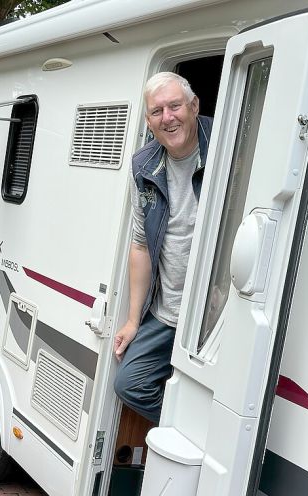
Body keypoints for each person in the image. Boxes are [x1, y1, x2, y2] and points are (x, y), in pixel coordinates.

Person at [113, 72, 213, 424]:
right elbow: (140, 245)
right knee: (129, 384)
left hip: (212, 317)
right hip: (167, 310)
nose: (168, 117)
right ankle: (189, 432)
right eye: (157, 111)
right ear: (148, 122)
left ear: (194, 106)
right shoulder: (144, 165)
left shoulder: (227, 143)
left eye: (175, 106)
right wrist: (132, 318)